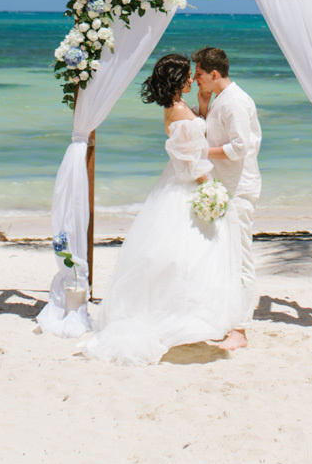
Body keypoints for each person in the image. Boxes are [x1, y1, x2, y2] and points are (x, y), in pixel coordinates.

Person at [77, 53, 243, 366]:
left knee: (180, 256)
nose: (193, 78)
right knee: (189, 255)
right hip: (185, 186)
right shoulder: (179, 111)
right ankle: (179, 321)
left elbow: (197, 130)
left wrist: (202, 101)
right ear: (179, 80)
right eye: (188, 75)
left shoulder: (176, 107)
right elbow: (188, 160)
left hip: (175, 185)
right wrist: (209, 185)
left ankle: (185, 321)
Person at [193, 45, 261, 350]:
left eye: (199, 74)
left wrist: (201, 152)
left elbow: (238, 148)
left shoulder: (235, 102)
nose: (196, 79)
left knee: (241, 258)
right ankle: (229, 321)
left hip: (238, 189)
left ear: (214, 74)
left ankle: (241, 330)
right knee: (225, 257)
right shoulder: (221, 100)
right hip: (225, 188)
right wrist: (204, 107)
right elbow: (218, 133)